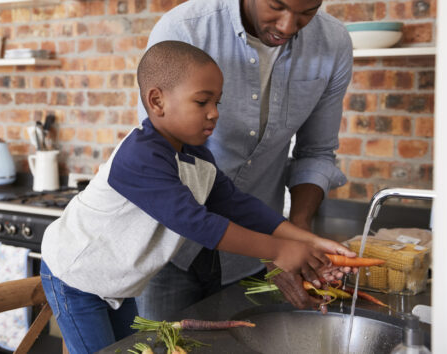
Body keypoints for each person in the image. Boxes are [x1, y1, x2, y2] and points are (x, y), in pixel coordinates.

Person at [40, 40, 354, 354]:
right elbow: (197, 223)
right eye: (202, 102)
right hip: (76, 278)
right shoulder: (140, 156)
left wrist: (307, 241)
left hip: (114, 284)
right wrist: (280, 249)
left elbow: (236, 205)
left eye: (218, 102)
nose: (214, 113)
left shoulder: (196, 157)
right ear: (157, 101)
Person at [136, 0, 354, 320]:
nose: (288, 26)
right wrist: (276, 247)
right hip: (167, 252)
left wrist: (298, 235)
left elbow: (315, 153)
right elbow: (177, 185)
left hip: (250, 262)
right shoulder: (185, 30)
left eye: (307, 11)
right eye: (276, 6)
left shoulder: (332, 43)